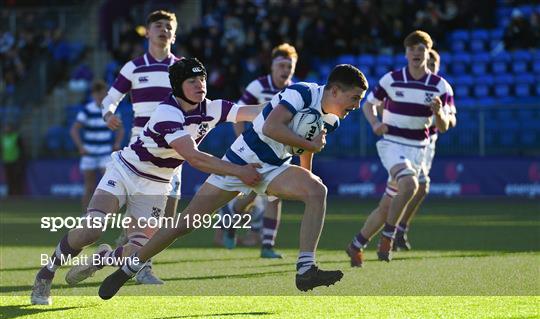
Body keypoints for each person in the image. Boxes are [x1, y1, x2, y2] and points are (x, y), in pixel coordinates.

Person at [98, 64, 369, 299]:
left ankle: (305, 269)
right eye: (354, 98)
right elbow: (270, 127)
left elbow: (307, 148)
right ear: (334, 90)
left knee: (316, 190)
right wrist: (308, 144)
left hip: (275, 168)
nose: (356, 106)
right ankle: (129, 268)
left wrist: (307, 174)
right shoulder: (302, 92)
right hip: (240, 162)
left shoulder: (332, 117)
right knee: (184, 225)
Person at [30, 58, 264, 305]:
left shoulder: (214, 107)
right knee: (92, 229)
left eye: (203, 79)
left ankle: (102, 259)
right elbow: (194, 158)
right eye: (192, 81)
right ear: (177, 85)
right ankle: (46, 274)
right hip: (125, 171)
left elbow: (253, 112)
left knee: (139, 251)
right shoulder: (167, 112)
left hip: (156, 185)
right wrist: (239, 171)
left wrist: (288, 105)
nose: (200, 85)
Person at [345, 31, 455, 267]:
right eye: (412, 48)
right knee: (410, 184)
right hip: (392, 144)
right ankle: (389, 237)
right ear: (406, 53)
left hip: (419, 148)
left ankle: (356, 244)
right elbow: (368, 105)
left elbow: (444, 126)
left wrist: (437, 112)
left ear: (428, 52)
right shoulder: (391, 79)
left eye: (421, 48)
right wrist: (375, 123)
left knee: (387, 206)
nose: (416, 52)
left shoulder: (441, 86)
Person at [101, 10, 181, 284]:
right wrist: (108, 114)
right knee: (149, 220)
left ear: (174, 32)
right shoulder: (133, 67)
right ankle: (141, 267)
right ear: (147, 32)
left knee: (167, 221)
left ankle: (126, 249)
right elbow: (110, 99)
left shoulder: (182, 69)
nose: (163, 30)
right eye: (158, 26)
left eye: (168, 26)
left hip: (174, 155)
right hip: (141, 153)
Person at [217, 43, 298, 259]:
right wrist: (242, 145)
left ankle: (267, 245)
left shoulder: (296, 91)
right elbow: (238, 115)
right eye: (281, 65)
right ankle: (232, 215)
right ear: (272, 67)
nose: (285, 69)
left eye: (289, 65)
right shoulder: (257, 87)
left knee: (274, 196)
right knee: (251, 195)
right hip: (254, 152)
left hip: (280, 155)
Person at [392, 49, 457, 250]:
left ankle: (398, 229)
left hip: (428, 142)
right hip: (405, 141)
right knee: (408, 186)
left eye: (432, 66)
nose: (427, 70)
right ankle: (391, 232)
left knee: (420, 187)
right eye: (425, 65)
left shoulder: (441, 89)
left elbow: (451, 119)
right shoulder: (408, 85)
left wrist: (440, 115)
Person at [70, 80, 124, 210]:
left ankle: (106, 214)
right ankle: (85, 217)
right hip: (89, 153)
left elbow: (121, 129)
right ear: (93, 94)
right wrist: (81, 147)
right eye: (97, 94)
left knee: (109, 186)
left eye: (102, 93)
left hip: (105, 153)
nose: (100, 96)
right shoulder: (87, 110)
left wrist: (117, 143)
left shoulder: (111, 110)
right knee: (89, 187)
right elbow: (74, 129)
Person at [1, 123, 26, 196]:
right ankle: (10, 193)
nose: (6, 129)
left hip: (16, 161)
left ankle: (18, 192)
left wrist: (21, 159)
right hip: (6, 160)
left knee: (16, 177)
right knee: (9, 177)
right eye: (5, 128)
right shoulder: (2, 137)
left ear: (12, 129)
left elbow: (22, 148)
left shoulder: (16, 137)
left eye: (8, 128)